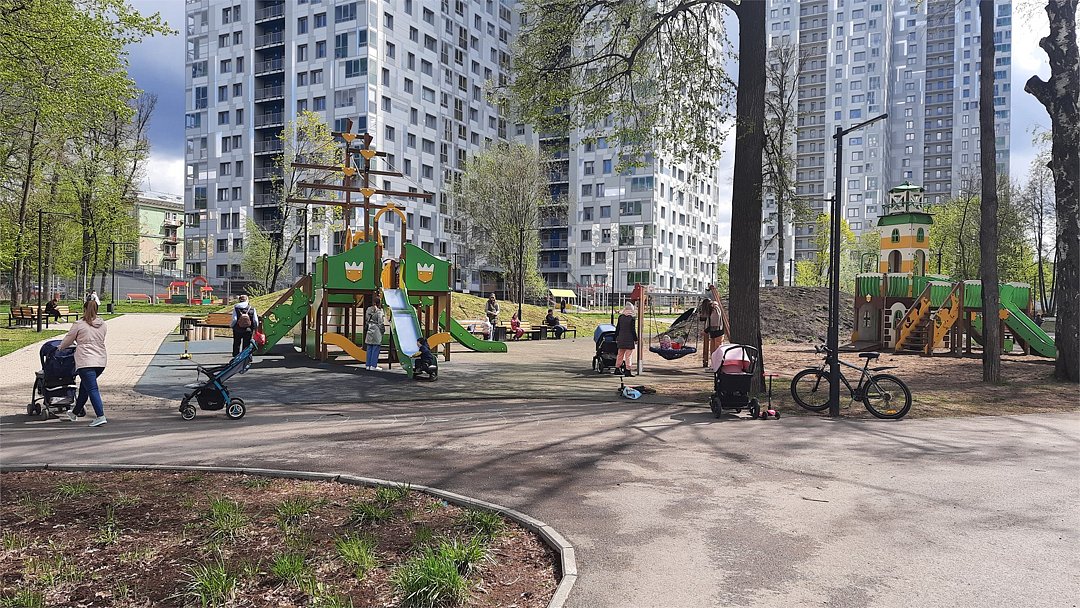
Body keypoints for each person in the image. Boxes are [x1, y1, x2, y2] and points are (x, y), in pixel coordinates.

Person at [59, 299, 109, 427]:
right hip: (100, 361)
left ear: (84, 309)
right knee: (85, 387)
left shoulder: (79, 324)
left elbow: (68, 339)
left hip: (85, 361)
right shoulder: (103, 324)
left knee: (92, 389)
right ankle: (74, 413)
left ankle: (100, 416)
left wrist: (60, 347)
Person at [614, 303, 637, 376]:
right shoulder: (632, 318)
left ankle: (617, 368)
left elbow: (618, 328)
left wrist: (616, 336)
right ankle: (627, 370)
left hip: (621, 337)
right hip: (629, 338)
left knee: (620, 354)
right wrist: (635, 339)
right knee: (628, 356)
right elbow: (633, 330)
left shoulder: (621, 317)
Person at [364, 295, 385, 371]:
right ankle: (373, 365)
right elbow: (380, 322)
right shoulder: (379, 311)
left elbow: (367, 319)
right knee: (376, 347)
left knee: (369, 347)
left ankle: (368, 365)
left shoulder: (369, 309)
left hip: (370, 328)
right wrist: (383, 330)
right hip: (376, 329)